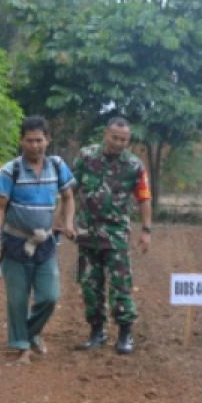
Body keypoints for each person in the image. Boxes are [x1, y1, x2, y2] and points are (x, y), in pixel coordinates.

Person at [0, 116, 76, 364]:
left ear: (48, 140)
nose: (35, 146)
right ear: (21, 141)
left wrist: (67, 223)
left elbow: (68, 197)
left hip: (45, 242)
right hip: (16, 242)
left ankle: (31, 333)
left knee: (50, 296)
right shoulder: (9, 171)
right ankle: (22, 347)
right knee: (17, 298)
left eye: (39, 140)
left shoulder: (57, 167)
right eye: (29, 140)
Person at [70, 116, 153, 355]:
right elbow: (70, 191)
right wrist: (63, 221)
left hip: (116, 234)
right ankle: (97, 331)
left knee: (120, 285)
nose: (119, 143)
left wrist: (146, 231)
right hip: (87, 232)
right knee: (89, 284)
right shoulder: (86, 157)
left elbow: (144, 198)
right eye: (115, 138)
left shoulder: (134, 166)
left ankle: (125, 333)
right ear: (106, 134)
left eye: (124, 140)